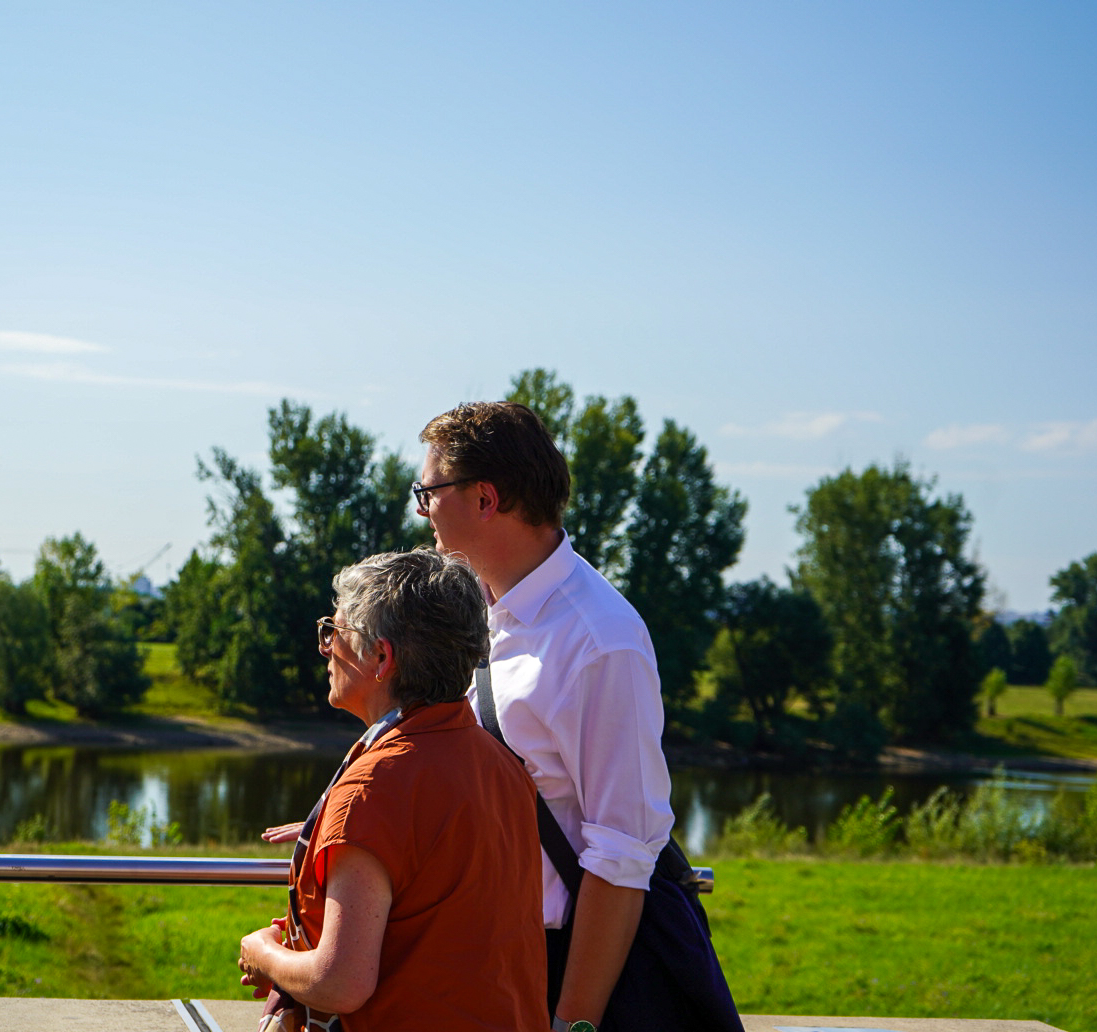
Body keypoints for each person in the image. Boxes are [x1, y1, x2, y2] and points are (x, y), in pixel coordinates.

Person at [414, 401, 742, 1032]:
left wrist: (572, 1023)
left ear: (485, 498)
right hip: (496, 958)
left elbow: (622, 851)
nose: (421, 511)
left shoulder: (600, 639)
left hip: (570, 971)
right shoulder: (480, 611)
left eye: (427, 492)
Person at [238, 548, 548, 1032]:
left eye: (334, 633)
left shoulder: (373, 789)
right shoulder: (503, 768)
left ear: (382, 657)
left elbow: (340, 983)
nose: (325, 648)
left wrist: (265, 956)